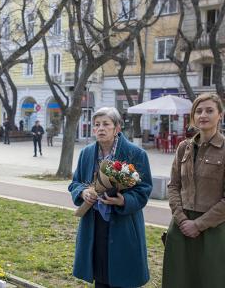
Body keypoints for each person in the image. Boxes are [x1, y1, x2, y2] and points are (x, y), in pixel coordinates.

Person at [68, 107, 152, 287]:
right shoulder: (86, 153)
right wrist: (83, 192)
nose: (100, 128)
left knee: (123, 274)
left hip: (123, 224)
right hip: (94, 222)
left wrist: (124, 201)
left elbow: (144, 189)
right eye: (96, 125)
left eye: (106, 124)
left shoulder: (135, 154)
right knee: (99, 271)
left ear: (117, 128)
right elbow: (75, 183)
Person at [162, 93, 225, 288]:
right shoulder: (184, 148)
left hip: (214, 231)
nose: (203, 115)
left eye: (209, 110)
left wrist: (198, 225)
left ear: (220, 115)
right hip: (181, 227)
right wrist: (182, 220)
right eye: (198, 111)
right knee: (178, 280)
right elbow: (173, 186)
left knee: (210, 280)